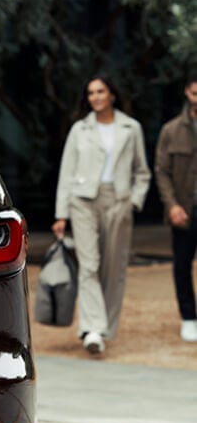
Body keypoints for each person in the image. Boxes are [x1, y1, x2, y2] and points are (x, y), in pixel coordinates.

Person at [52, 74, 151, 355]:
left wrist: (133, 201)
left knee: (113, 267)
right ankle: (93, 328)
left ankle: (104, 327)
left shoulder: (131, 128)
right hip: (83, 200)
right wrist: (61, 214)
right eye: (91, 93)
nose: (95, 97)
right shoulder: (79, 130)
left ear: (112, 95)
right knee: (90, 264)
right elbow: (66, 173)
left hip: (118, 201)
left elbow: (142, 172)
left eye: (100, 91)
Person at [154, 72, 197, 342]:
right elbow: (162, 171)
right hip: (185, 208)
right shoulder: (171, 130)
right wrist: (172, 205)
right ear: (187, 92)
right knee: (182, 265)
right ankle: (190, 317)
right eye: (195, 93)